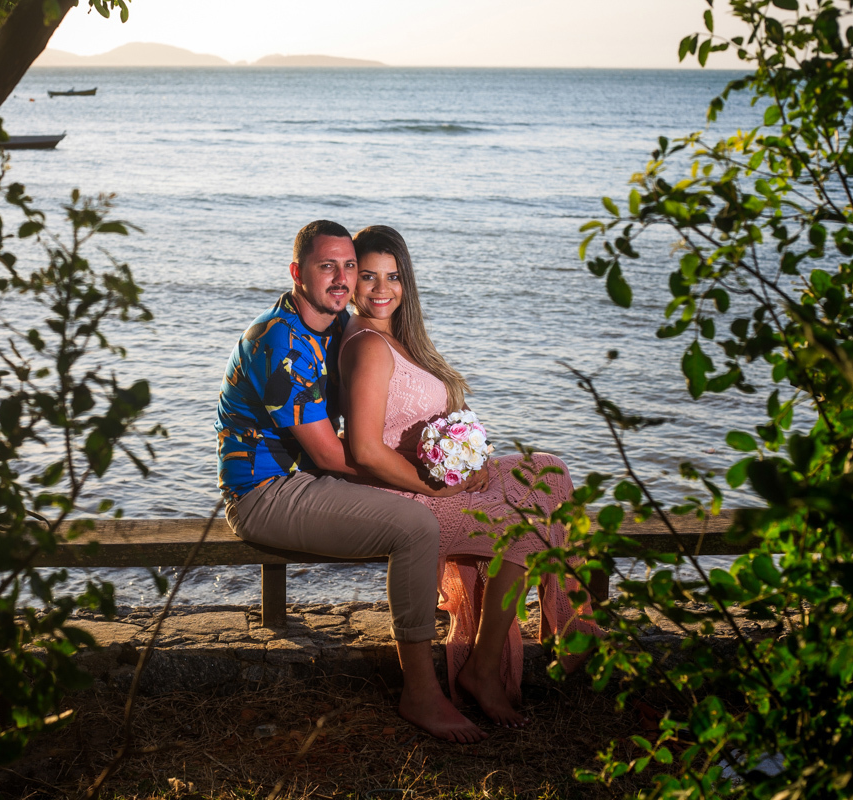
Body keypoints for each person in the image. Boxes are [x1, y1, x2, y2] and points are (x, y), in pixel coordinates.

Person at [215, 220, 489, 743]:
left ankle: (483, 653)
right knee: (414, 523)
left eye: (348, 267)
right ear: (297, 273)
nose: (342, 279)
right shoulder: (281, 341)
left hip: (307, 481)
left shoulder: (331, 324)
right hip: (264, 493)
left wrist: (449, 449)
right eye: (327, 267)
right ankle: (421, 692)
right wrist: (433, 484)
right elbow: (334, 456)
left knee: (437, 504)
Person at [337, 225, 604, 728]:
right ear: (351, 281)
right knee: (524, 520)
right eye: (367, 276)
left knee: (546, 470)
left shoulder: (398, 336)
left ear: (406, 280)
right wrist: (447, 480)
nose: (380, 289)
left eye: (392, 276)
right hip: (406, 493)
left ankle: (511, 651)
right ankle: (485, 668)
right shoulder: (370, 345)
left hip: (430, 476)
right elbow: (368, 451)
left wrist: (467, 454)